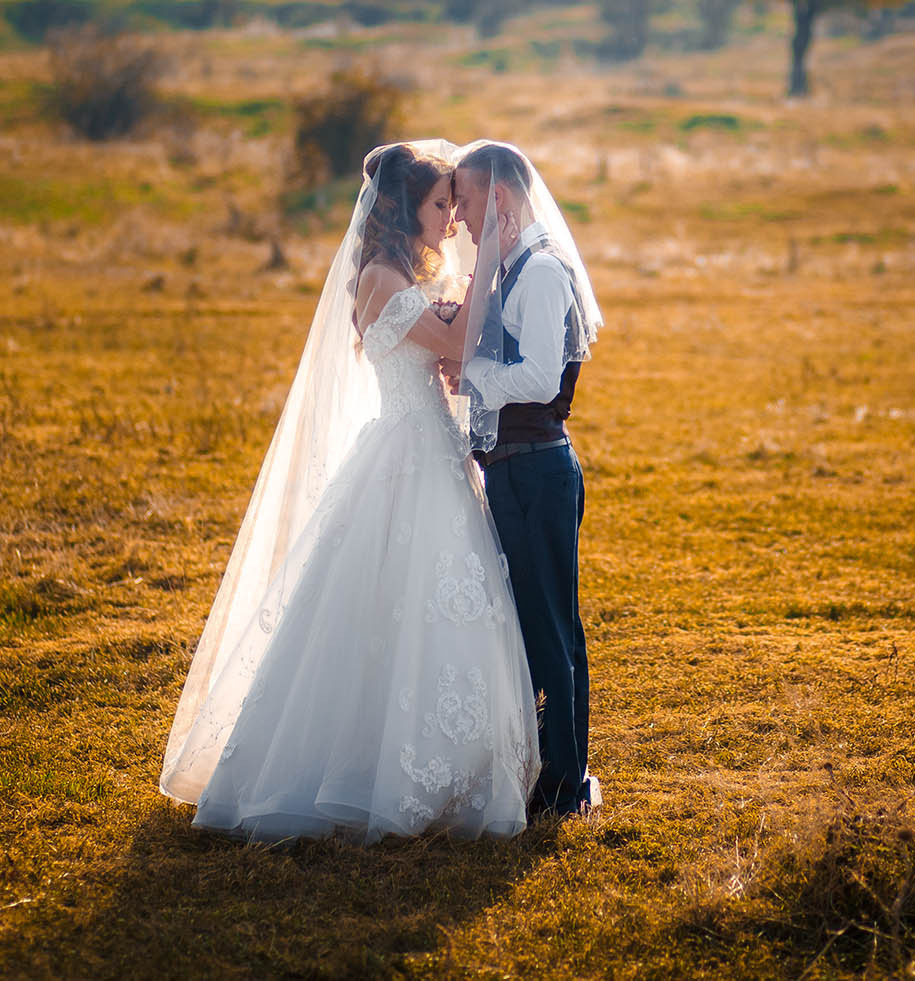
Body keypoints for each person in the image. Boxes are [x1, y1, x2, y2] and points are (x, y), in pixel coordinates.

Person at [159, 141, 538, 842]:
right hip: (405, 454)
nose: (452, 217)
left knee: (439, 605)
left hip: (431, 449)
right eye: (441, 204)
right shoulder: (382, 279)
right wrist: (489, 257)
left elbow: (447, 341)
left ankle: (452, 764)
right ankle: (369, 773)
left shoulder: (405, 274)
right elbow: (455, 348)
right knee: (385, 605)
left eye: (455, 205)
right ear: (403, 208)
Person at [453, 141, 604, 818]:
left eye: (464, 198)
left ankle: (566, 784)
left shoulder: (540, 272)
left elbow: (542, 378)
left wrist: (474, 374)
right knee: (544, 622)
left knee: (551, 628)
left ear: (500, 200)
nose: (456, 214)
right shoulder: (510, 269)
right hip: (518, 469)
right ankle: (562, 770)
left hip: (539, 470)